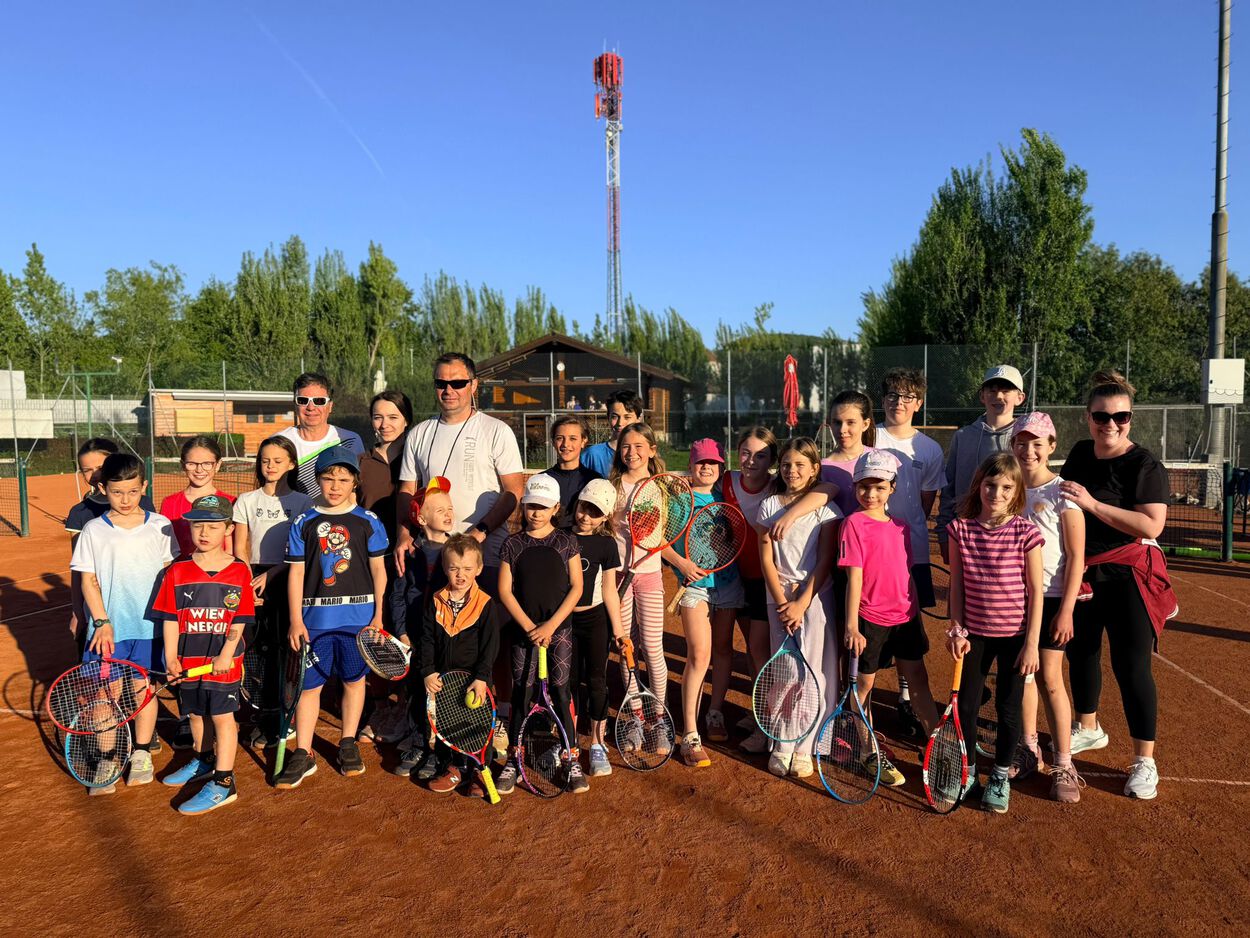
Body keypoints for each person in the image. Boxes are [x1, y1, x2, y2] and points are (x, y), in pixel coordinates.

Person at [1059, 370, 1172, 801]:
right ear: (1087, 418)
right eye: (1101, 417)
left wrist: (1092, 503)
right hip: (1083, 572)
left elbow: (1151, 524)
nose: (1111, 425)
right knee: (1081, 653)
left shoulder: (1143, 463)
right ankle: (1088, 728)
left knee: (1131, 666)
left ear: (1131, 419)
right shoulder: (1081, 453)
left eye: (1120, 417)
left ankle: (1145, 760)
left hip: (1129, 575)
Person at [275, 446, 389, 789]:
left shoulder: (368, 522)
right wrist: (297, 620)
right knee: (310, 688)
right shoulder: (303, 522)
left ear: (355, 481)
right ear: (318, 481)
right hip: (315, 621)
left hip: (358, 619)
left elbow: (379, 572)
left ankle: (348, 741)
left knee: (354, 681)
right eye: (328, 478)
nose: (335, 486)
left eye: (343, 479)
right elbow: (295, 575)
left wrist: (379, 615)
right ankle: (304, 751)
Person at [70, 453, 177, 794]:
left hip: (150, 629)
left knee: (142, 691)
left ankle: (142, 753)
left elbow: (169, 575)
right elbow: (88, 581)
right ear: (103, 489)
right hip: (108, 632)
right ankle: (106, 758)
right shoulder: (94, 530)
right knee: (104, 696)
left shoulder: (161, 525)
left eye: (133, 491)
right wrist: (101, 621)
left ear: (144, 487)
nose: (126, 500)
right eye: (117, 492)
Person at [946, 453, 1044, 814]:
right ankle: (969, 772)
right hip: (974, 636)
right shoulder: (960, 529)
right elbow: (957, 585)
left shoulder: (1026, 533)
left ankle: (1000, 776)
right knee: (967, 707)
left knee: (1007, 709)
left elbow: (1035, 592)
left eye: (1006, 487)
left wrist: (1032, 643)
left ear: (1017, 490)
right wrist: (956, 628)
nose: (997, 493)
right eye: (990, 485)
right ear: (979, 486)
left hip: (1015, 638)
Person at [840, 449, 939, 787]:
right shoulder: (853, 524)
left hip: (905, 617)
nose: (871, 494)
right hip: (869, 618)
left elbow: (906, 572)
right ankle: (868, 749)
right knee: (864, 685)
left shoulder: (900, 527)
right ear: (855, 487)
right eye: (864, 487)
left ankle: (937, 742)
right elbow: (854, 577)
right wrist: (852, 624)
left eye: (879, 487)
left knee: (918, 679)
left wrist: (913, 608)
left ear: (892, 488)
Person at [154, 495, 254, 814]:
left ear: (227, 529)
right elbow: (170, 617)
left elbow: (239, 619)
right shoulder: (177, 571)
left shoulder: (239, 572)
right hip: (189, 660)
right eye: (198, 525)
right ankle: (204, 761)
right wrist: (171, 657)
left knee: (222, 717)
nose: (204, 532)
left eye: (213, 526)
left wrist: (226, 653)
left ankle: (224, 782)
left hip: (224, 663)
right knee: (196, 713)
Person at [395, 352, 524, 598]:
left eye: (457, 383)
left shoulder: (496, 430)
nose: (448, 390)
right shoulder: (419, 433)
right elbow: (406, 491)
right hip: (433, 553)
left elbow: (514, 491)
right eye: (441, 384)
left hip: (485, 553)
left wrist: (479, 533)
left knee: (486, 629)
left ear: (473, 385)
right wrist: (403, 535)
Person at [1010, 412, 1085, 803]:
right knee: (1022, 675)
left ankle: (1063, 762)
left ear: (1052, 446)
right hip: (1012, 598)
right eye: (1022, 443)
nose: (1029, 450)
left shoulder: (1064, 493)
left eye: (1037, 443)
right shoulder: (1007, 489)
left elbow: (1076, 557)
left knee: (1050, 678)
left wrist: (1067, 609)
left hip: (1053, 598)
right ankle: (1026, 747)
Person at [495, 474, 585, 795]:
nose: (536, 512)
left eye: (543, 507)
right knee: (521, 692)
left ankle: (570, 758)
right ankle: (512, 762)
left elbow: (577, 588)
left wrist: (549, 626)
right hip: (525, 633)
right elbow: (505, 590)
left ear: (556, 508)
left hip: (558, 632)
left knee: (561, 693)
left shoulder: (566, 541)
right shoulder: (513, 543)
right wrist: (530, 628)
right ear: (523, 505)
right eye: (531, 505)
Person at [757, 437, 842, 779]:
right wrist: (782, 602)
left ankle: (805, 746)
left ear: (814, 469)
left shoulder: (826, 509)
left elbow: (825, 559)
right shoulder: (768, 506)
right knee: (787, 672)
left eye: (800, 465)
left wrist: (803, 600)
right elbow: (765, 556)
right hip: (778, 599)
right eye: (787, 464)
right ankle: (782, 742)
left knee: (812, 673)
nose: (792, 471)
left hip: (816, 597)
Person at [873, 368, 945, 738]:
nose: (898, 402)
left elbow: (925, 501)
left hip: (910, 550)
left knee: (907, 625)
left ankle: (904, 696)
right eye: (892, 395)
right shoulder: (869, 437)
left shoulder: (929, 449)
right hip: (869, 553)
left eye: (906, 396)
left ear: (918, 403)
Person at [667, 439, 743, 768]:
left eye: (713, 463)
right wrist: (681, 566)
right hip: (695, 588)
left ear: (721, 467)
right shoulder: (681, 502)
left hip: (728, 585)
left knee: (724, 650)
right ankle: (690, 732)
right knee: (699, 655)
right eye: (701, 463)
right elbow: (661, 541)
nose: (707, 468)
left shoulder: (727, 496)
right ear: (691, 466)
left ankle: (714, 713)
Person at [232, 436, 312, 745]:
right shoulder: (246, 500)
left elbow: (300, 553)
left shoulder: (304, 503)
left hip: (289, 577)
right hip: (254, 579)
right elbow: (240, 549)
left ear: (291, 464)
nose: (270, 466)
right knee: (261, 651)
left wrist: (274, 574)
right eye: (265, 460)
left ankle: (285, 715)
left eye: (278, 461)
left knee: (286, 650)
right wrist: (246, 583)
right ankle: (265, 713)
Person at [418, 534, 502, 795]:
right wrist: (428, 671)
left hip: (474, 680)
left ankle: (480, 769)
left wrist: (481, 676)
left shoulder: (485, 604)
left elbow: (490, 646)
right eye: (454, 568)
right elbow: (427, 640)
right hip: (443, 678)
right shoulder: (435, 600)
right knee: (445, 723)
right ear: (445, 568)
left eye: (467, 569)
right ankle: (452, 768)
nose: (460, 575)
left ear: (478, 569)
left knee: (478, 725)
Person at [357, 390, 415, 745]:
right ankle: (381, 705)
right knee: (378, 629)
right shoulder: (362, 461)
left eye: (393, 416)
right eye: (379, 417)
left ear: (406, 420)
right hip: (372, 561)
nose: (385, 424)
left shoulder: (417, 456)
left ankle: (407, 706)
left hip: (410, 560)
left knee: (407, 630)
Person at [609, 422, 672, 743]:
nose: (631, 452)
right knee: (627, 648)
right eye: (625, 446)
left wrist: (683, 564)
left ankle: (659, 717)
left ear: (651, 450)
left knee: (652, 647)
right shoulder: (613, 486)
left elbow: (662, 538)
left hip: (648, 576)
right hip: (618, 577)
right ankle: (634, 716)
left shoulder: (661, 487)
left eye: (638, 446)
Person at [66, 438, 156, 659]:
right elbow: (80, 571)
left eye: (100, 466)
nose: (95, 473)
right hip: (100, 610)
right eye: (87, 470)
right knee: (100, 677)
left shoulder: (143, 504)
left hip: (139, 613)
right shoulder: (80, 513)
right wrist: (78, 610)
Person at [394, 479, 458, 780]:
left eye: (450, 508)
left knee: (444, 694)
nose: (448, 514)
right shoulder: (407, 552)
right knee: (418, 692)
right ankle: (419, 744)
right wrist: (402, 632)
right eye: (440, 509)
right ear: (421, 518)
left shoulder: (459, 551)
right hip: (416, 635)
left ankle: (440, 751)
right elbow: (397, 595)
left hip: (447, 639)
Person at [721, 427, 779, 752]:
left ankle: (769, 725)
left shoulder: (777, 486)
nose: (751, 460)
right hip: (736, 577)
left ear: (772, 459)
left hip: (765, 581)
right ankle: (761, 712)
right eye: (746, 452)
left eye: (760, 455)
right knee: (752, 650)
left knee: (760, 651)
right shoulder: (727, 481)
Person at [937, 365, 1027, 563]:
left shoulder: (1025, 441)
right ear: (982, 396)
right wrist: (944, 532)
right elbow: (948, 488)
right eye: (992, 390)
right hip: (966, 534)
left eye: (1006, 390)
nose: (999, 396)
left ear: (1020, 398)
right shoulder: (963, 436)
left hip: (1010, 538)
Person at [568, 478, 626, 778]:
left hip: (596, 621)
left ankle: (597, 743)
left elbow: (608, 589)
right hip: (566, 622)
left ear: (605, 517)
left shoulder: (606, 544)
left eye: (594, 512)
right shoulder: (560, 537)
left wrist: (618, 630)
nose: (585, 516)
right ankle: (569, 743)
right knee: (567, 682)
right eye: (583, 507)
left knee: (597, 681)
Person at [277, 372, 366, 494]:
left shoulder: (350, 440)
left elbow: (356, 490)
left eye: (319, 401)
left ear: (330, 406)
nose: (311, 407)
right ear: (295, 405)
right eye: (303, 400)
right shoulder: (279, 442)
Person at [160, 435, 235, 561]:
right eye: (192, 464)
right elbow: (164, 549)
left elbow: (234, 549)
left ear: (217, 465)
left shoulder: (232, 503)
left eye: (207, 464)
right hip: (180, 577)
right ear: (183, 465)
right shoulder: (170, 503)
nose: (199, 470)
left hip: (219, 576)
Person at [819, 391, 877, 518]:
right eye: (837, 422)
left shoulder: (882, 460)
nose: (842, 430)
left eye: (850, 422)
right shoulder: (820, 469)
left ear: (865, 424)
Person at [545, 414, 601, 528]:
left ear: (583, 441)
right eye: (560, 438)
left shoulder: (595, 481)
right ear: (553, 442)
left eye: (573, 438)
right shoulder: (542, 480)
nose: (566, 444)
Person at [581, 389, 643, 478]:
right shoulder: (592, 455)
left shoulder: (644, 454)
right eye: (615, 417)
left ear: (638, 419)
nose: (620, 423)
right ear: (608, 417)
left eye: (627, 417)